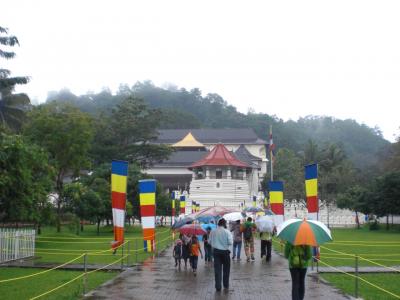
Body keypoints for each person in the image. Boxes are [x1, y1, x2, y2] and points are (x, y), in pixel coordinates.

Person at [210, 218, 233, 292]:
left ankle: (218, 287)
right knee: (226, 270)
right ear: (224, 224)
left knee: (217, 270)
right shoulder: (227, 232)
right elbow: (230, 242)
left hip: (216, 252)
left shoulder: (213, 231)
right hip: (225, 252)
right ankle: (226, 285)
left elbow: (210, 242)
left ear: (218, 224)